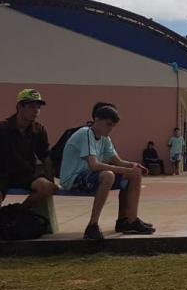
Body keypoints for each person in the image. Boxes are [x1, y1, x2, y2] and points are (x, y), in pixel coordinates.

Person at [59, 103, 154, 240]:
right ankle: (92, 225)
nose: (110, 129)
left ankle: (130, 221)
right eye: (108, 124)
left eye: (113, 126)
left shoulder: (105, 138)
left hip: (90, 176)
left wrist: (134, 165)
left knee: (135, 174)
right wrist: (122, 169)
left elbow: (118, 161)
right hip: (73, 179)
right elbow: (94, 165)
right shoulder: (85, 133)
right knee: (108, 176)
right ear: (97, 120)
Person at [0, 89, 58, 211]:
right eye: (32, 107)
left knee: (47, 188)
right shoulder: (3, 128)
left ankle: (18, 211)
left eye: (38, 107)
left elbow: (45, 156)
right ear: (20, 106)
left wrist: (51, 180)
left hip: (26, 174)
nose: (36, 111)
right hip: (3, 174)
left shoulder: (39, 130)